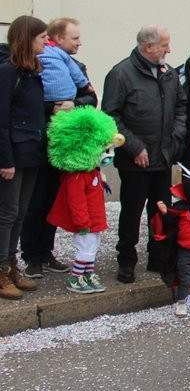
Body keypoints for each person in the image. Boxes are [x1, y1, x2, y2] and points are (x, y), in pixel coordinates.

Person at [101, 24, 187, 283]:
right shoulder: (121, 73)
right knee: (131, 212)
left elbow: (181, 106)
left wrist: (176, 138)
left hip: (163, 156)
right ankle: (126, 261)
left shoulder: (169, 73)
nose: (169, 50)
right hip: (135, 161)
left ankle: (159, 257)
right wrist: (134, 146)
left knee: (161, 210)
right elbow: (110, 116)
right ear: (148, 47)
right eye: (164, 45)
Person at [21, 17, 96, 279]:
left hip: (64, 144)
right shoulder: (33, 66)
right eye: (74, 38)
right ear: (58, 39)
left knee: (53, 199)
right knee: (33, 202)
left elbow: (91, 98)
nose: (79, 42)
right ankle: (31, 256)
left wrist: (73, 104)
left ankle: (47, 252)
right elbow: (25, 105)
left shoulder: (76, 67)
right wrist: (50, 107)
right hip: (36, 143)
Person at [44, 106, 123, 295]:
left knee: (92, 247)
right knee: (85, 248)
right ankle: (77, 276)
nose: (108, 155)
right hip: (85, 222)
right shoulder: (77, 177)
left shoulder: (91, 173)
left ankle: (88, 273)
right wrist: (82, 223)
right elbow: (76, 202)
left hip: (93, 221)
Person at [0, 16, 49, 299]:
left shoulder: (32, 72)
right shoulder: (8, 72)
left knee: (20, 213)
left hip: (31, 152)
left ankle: (10, 263)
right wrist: (5, 160)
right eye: (42, 37)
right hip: (14, 154)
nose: (46, 41)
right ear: (27, 38)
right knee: (7, 213)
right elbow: (2, 119)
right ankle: (2, 269)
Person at [155, 182, 190, 316]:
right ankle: (181, 302)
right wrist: (165, 213)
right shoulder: (181, 210)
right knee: (185, 278)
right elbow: (169, 224)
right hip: (186, 252)